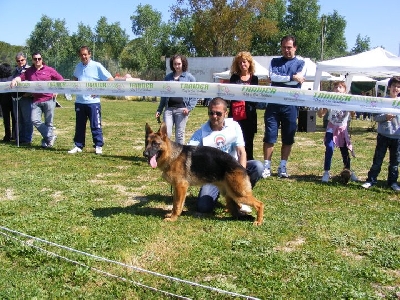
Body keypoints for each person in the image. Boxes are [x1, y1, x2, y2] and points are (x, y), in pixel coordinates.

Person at [188, 97, 264, 214]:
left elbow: (241, 152)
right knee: (204, 207)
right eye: (211, 113)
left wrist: (241, 176)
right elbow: (188, 152)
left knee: (257, 166)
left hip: (234, 170)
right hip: (214, 177)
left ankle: (238, 196)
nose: (214, 116)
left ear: (225, 113)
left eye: (218, 113)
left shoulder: (234, 126)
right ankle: (232, 196)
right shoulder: (201, 132)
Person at [262, 35, 306, 178]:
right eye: (284, 47)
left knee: (288, 138)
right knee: (269, 137)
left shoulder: (301, 63)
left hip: (291, 106)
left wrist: (285, 79)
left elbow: (296, 83)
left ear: (295, 48)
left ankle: (282, 167)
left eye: (289, 47)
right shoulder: (274, 61)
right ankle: (266, 167)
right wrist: (292, 77)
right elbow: (272, 77)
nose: (286, 50)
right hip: (273, 105)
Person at [10, 52, 64, 148]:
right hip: (36, 100)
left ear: (42, 59)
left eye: (39, 58)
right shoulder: (29, 71)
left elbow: (60, 79)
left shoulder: (49, 69)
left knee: (49, 123)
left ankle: (46, 141)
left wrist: (56, 90)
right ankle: (51, 136)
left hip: (49, 99)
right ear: (33, 60)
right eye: (35, 59)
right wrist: (15, 80)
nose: (37, 60)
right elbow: (21, 77)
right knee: (34, 120)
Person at [68, 46, 114, 155]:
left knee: (95, 125)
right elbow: (75, 80)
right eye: (81, 55)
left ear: (90, 54)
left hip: (93, 103)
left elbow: (111, 80)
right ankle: (78, 145)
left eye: (85, 54)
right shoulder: (78, 67)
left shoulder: (97, 66)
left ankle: (98, 146)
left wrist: (99, 90)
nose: (83, 57)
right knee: (79, 125)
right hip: (80, 101)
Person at [362, 76, 400, 191]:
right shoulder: (382, 102)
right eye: (394, 86)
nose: (396, 88)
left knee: (395, 163)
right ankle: (370, 180)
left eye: (398, 87)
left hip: (397, 138)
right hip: (383, 136)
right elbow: (376, 118)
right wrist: (385, 117)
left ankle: (393, 182)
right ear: (389, 87)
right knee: (377, 161)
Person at [317, 81, 358, 183]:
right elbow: (320, 115)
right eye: (336, 87)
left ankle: (348, 171)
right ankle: (326, 172)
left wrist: (353, 110)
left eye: (340, 87)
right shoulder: (330, 101)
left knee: (344, 151)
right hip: (331, 129)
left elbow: (353, 115)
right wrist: (320, 106)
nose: (337, 89)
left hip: (342, 130)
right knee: (329, 148)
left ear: (345, 90)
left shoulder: (348, 101)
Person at [156, 54, 197, 144]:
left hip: (182, 110)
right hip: (168, 110)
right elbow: (164, 95)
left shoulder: (189, 78)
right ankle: (168, 154)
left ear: (183, 64)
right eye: (175, 64)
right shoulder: (168, 78)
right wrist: (159, 110)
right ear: (172, 65)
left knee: (179, 135)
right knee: (166, 133)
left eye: (179, 64)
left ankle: (179, 156)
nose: (177, 66)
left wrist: (189, 108)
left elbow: (195, 94)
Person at [228, 51, 259, 160]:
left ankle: (249, 162)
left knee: (248, 140)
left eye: (244, 62)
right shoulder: (234, 78)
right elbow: (232, 95)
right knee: (234, 139)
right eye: (240, 63)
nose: (242, 65)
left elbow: (255, 98)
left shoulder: (254, 79)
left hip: (249, 114)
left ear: (249, 63)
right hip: (236, 114)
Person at [11, 52, 33, 145]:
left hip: (26, 98)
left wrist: (29, 93)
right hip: (15, 98)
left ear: (25, 59)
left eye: (22, 60)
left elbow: (33, 82)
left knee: (27, 119)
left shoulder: (30, 70)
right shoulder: (15, 71)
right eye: (18, 61)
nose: (20, 62)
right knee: (18, 119)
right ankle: (20, 138)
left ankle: (27, 139)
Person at [0, 63, 16, 142]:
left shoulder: (0, 80)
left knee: (6, 120)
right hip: (13, 101)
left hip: (3, 102)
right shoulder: (12, 78)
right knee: (14, 119)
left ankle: (7, 135)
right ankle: (14, 135)